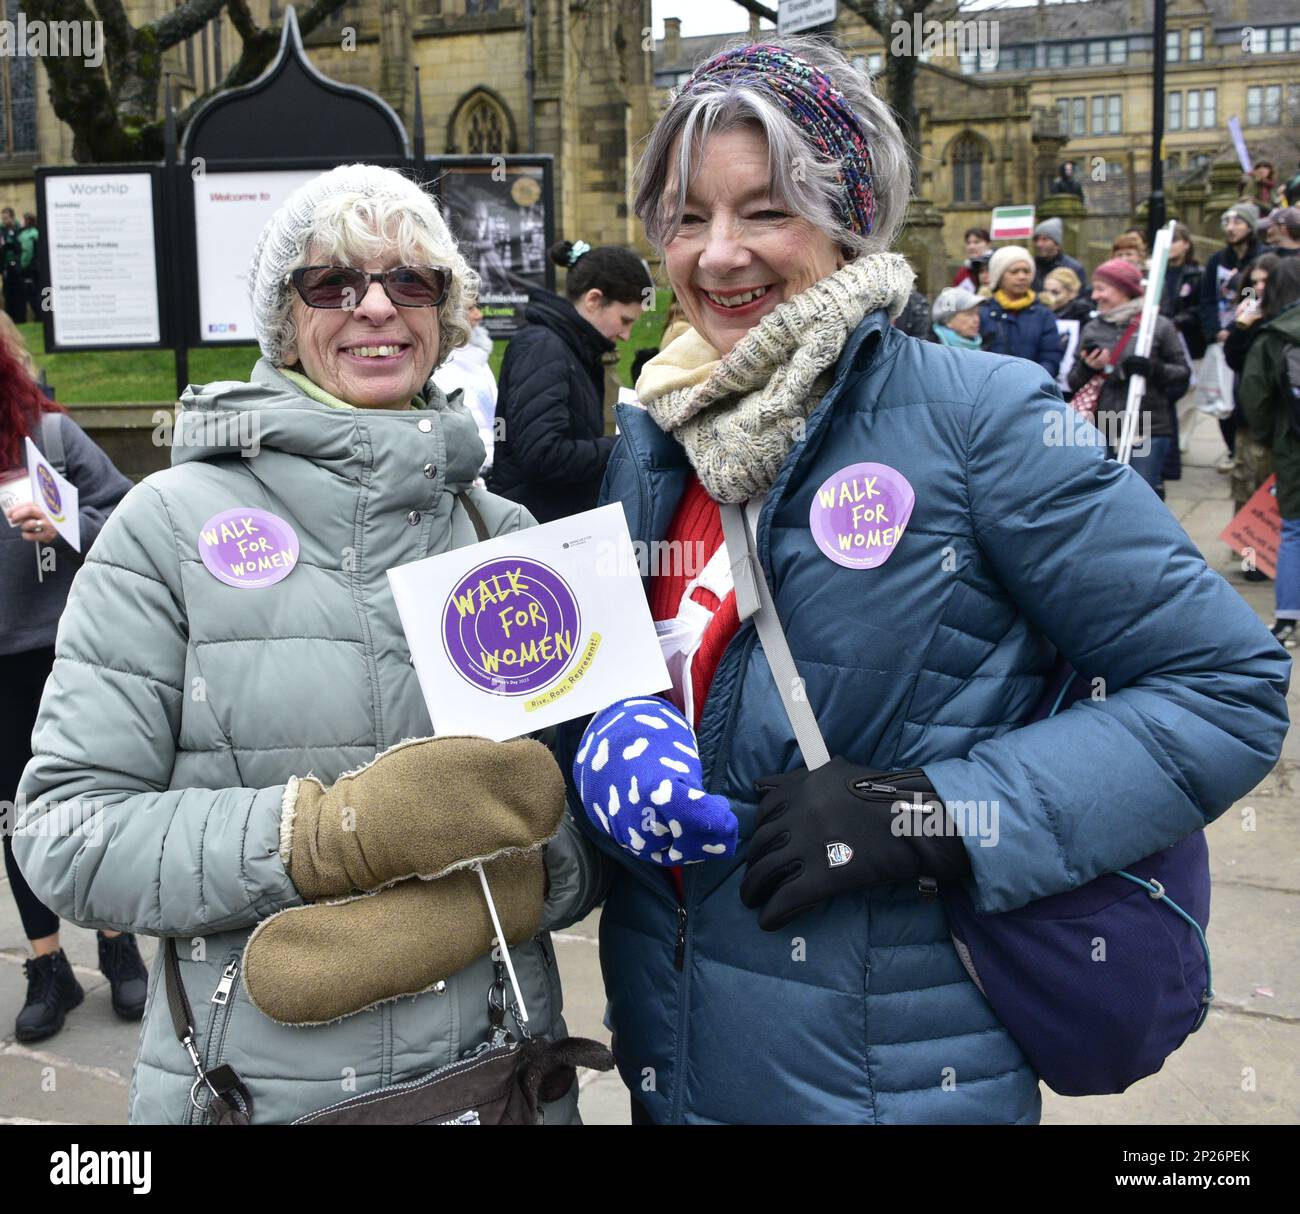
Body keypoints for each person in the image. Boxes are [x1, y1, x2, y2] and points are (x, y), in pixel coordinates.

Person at [570, 36, 1287, 1126]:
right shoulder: (659, 433)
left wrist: (933, 813)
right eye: (684, 216)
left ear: (852, 218)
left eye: (766, 211)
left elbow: (1224, 686)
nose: (717, 255)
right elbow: (657, 676)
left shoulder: (981, 417)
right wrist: (600, 734)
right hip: (674, 1060)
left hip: (892, 1085)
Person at [13, 164, 605, 1124]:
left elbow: (576, 825)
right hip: (252, 1091)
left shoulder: (507, 539)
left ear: (448, 316)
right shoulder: (165, 528)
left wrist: (556, 856)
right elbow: (66, 834)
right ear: (286, 321)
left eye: (412, 281)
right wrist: (322, 838)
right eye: (332, 283)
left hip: (499, 1081)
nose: (375, 306)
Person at [2, 328, 140, 1043]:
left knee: (88, 795)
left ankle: (118, 940)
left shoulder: (47, 433)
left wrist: (63, 525)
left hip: (63, 649)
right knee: (14, 815)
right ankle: (47, 965)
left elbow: (124, 510)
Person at [490, 239, 651, 522]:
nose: (626, 335)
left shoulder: (572, 348)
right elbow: (544, 455)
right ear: (594, 300)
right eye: (625, 320)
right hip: (535, 531)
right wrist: (625, 445)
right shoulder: (543, 347)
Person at [1069, 257, 1189, 494]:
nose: (1095, 296)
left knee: (1141, 497)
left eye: (1102, 289)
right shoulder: (1093, 327)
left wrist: (1153, 368)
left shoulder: (1158, 326)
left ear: (1124, 290)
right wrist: (1089, 367)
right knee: (1108, 498)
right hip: (1104, 426)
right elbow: (1073, 380)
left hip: (1148, 427)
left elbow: (1182, 373)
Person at [1238, 258, 1300, 642]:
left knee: (1293, 531)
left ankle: (1287, 621)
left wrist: (1269, 435)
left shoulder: (1272, 336)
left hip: (1293, 443)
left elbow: (1254, 398)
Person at [1200, 203, 1263, 464]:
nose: (1231, 228)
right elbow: (1207, 299)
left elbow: (1251, 299)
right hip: (1221, 339)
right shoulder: (1217, 261)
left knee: (1243, 396)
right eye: (1228, 222)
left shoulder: (1259, 260)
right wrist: (1216, 331)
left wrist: (1234, 328)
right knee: (1221, 398)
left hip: (1246, 336)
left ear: (1250, 226)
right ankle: (1231, 449)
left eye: (1238, 222)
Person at [1224, 254, 1280, 524]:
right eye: (1254, 281)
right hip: (1248, 417)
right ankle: (1249, 558)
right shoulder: (1250, 315)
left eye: (1265, 281)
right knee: (1246, 484)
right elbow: (1233, 360)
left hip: (1278, 418)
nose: (1259, 287)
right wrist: (1241, 327)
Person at [431, 298, 497, 475]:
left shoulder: (480, 360)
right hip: (470, 474)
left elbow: (496, 415)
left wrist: (502, 452)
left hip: (494, 467)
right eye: (471, 309)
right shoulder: (439, 368)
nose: (479, 316)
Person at [979, 245, 1063, 378]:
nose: (1022, 276)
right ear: (999, 276)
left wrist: (1033, 381)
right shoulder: (983, 312)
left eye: (1026, 271)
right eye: (1014, 271)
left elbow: (1051, 357)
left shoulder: (1043, 315)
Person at [1040, 266, 1093, 396]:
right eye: (1046, 291)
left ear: (1072, 293)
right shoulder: (1039, 314)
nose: (1049, 297)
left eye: (1055, 292)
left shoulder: (1083, 318)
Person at [1031, 217, 1087, 291]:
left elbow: (1082, 296)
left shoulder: (1073, 268)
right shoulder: (1031, 266)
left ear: (1057, 244)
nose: (1039, 244)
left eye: (1045, 239)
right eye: (1036, 240)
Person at [1, 207, 22, 325]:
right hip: (6, 266)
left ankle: (20, 318)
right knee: (8, 293)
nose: (4, 221)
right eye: (3, 219)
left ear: (12, 218)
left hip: (18, 266)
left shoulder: (19, 229)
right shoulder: (1, 230)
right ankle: (11, 320)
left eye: (6, 218)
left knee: (19, 293)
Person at [17, 212, 39, 322]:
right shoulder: (37, 232)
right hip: (40, 267)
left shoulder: (27, 235)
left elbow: (27, 252)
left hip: (30, 269)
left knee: (32, 294)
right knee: (44, 291)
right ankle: (47, 314)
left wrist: (22, 266)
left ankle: (39, 316)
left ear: (27, 221)